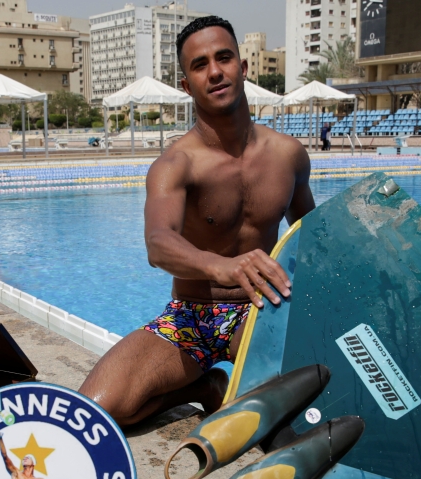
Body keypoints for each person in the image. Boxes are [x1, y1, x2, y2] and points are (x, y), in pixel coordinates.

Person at [79, 16, 315, 426]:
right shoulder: (176, 164)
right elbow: (158, 242)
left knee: (293, 409)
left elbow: (312, 239)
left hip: (263, 310)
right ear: (187, 85)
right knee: (95, 411)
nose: (215, 72)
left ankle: (229, 383)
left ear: (243, 66)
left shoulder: (288, 155)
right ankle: (202, 388)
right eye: (200, 65)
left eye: (224, 58)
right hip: (192, 313)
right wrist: (222, 266)